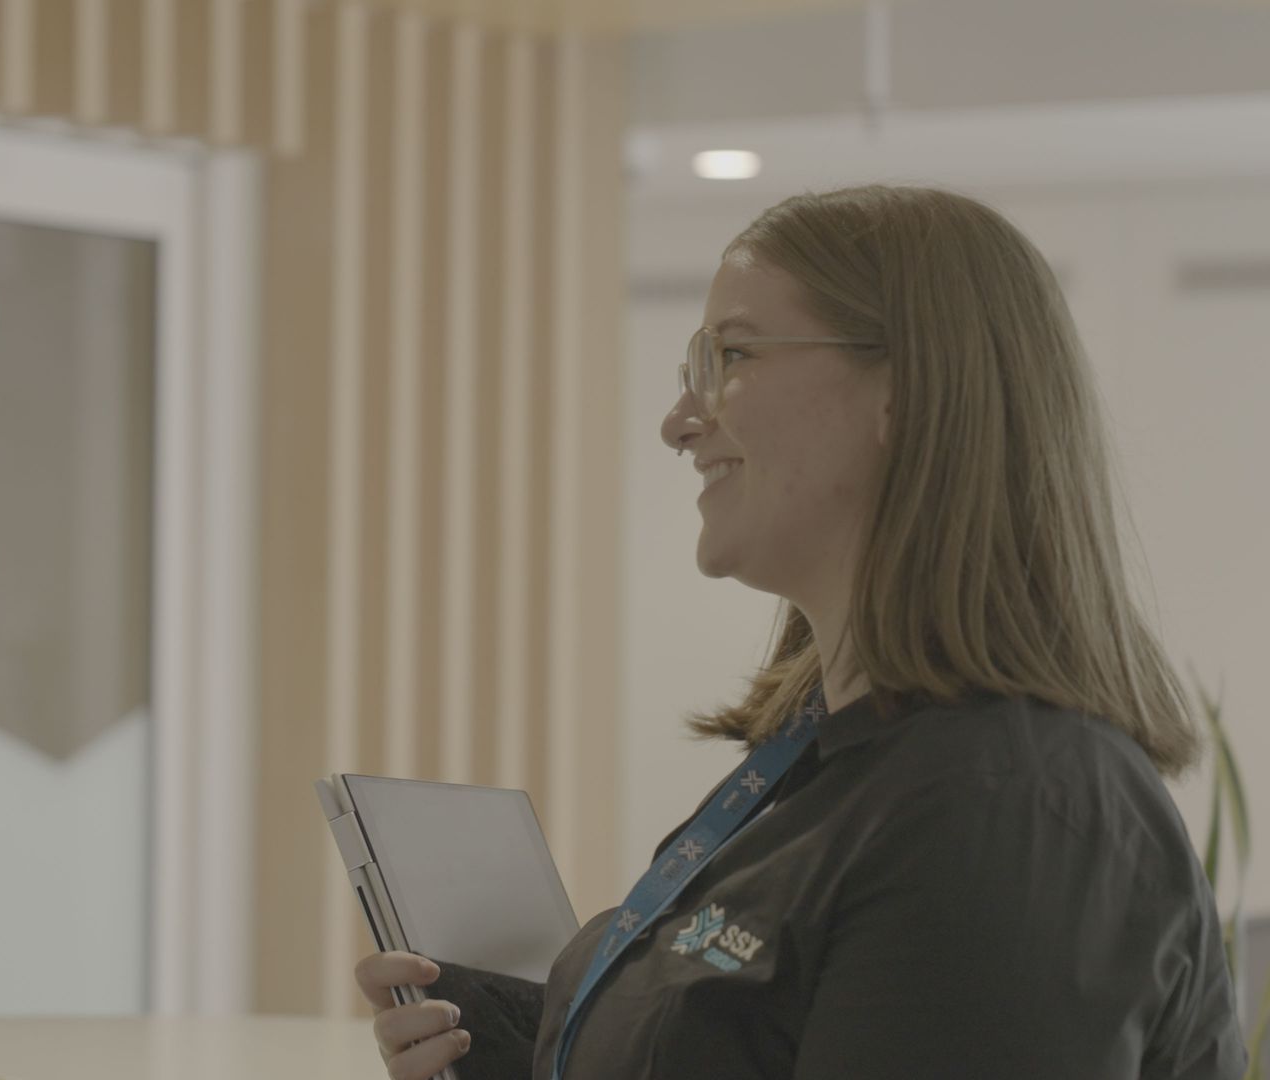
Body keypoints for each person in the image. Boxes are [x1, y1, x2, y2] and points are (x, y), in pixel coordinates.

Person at [353, 185, 1247, 1080]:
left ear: (906, 389)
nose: (679, 424)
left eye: (731, 355)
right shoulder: (837, 763)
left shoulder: (1006, 814)